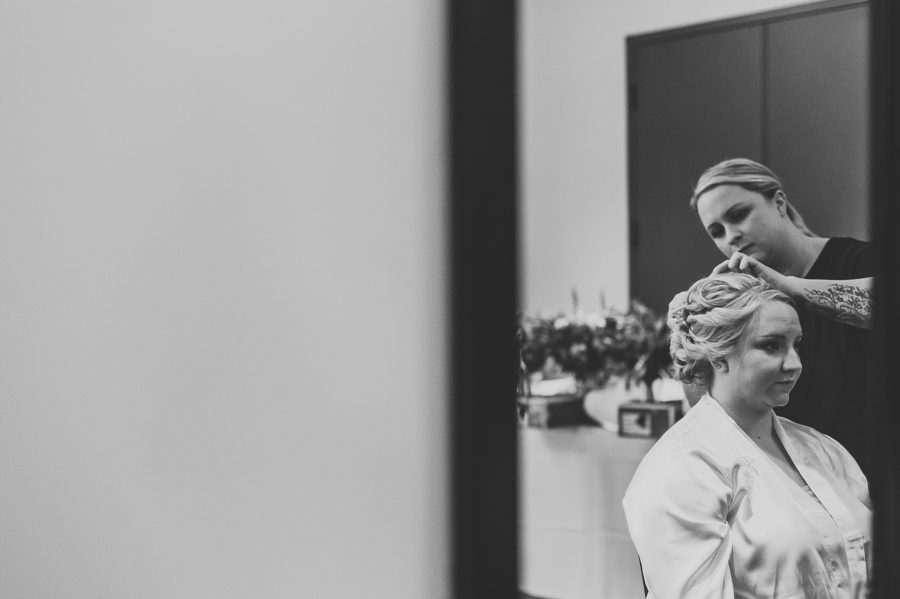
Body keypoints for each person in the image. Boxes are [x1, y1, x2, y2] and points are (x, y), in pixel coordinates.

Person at [623, 273, 871, 598]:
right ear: (718, 356)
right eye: (771, 346)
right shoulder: (681, 467)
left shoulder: (822, 448)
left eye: (796, 344)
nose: (795, 363)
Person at [688, 158, 873, 472]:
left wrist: (791, 287)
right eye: (717, 231)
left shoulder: (859, 261)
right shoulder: (745, 305)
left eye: (738, 215)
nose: (731, 236)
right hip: (804, 487)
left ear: (779, 202)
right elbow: (717, 413)